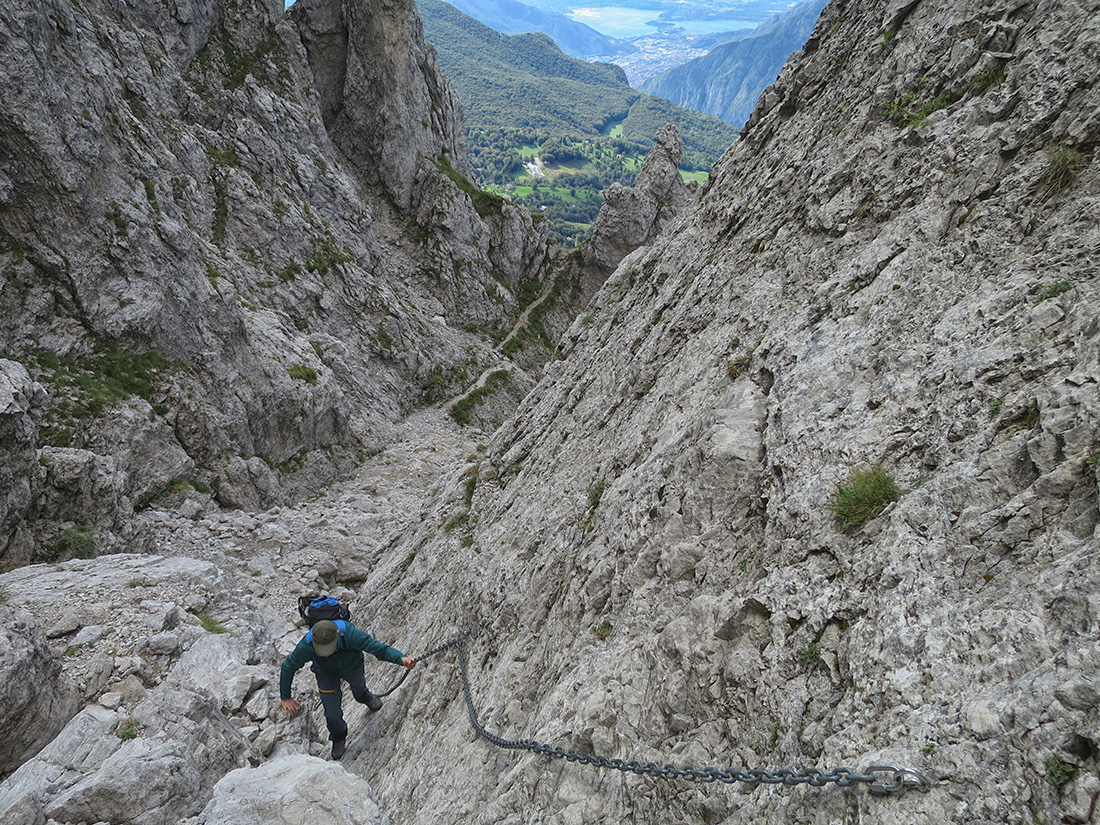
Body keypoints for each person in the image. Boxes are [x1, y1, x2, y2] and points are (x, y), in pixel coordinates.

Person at [280, 618, 415, 759]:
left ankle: (363, 695)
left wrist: (401, 659)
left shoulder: (350, 634)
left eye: (329, 647)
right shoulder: (306, 646)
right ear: (313, 638)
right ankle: (338, 736)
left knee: (358, 685)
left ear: (337, 634)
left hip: (352, 665)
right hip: (326, 673)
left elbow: (378, 649)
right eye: (322, 649)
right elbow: (288, 667)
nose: (326, 652)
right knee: (332, 712)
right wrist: (285, 697)